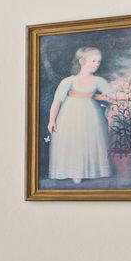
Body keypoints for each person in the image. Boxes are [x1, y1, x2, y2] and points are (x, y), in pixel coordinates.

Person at [45, 45, 111, 184]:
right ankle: (75, 172)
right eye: (93, 61)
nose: (96, 64)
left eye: (98, 61)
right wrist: (52, 120)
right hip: (70, 115)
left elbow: (111, 95)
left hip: (92, 115)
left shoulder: (99, 81)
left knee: (91, 140)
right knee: (74, 142)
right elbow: (57, 101)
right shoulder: (69, 81)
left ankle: (92, 170)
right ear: (82, 61)